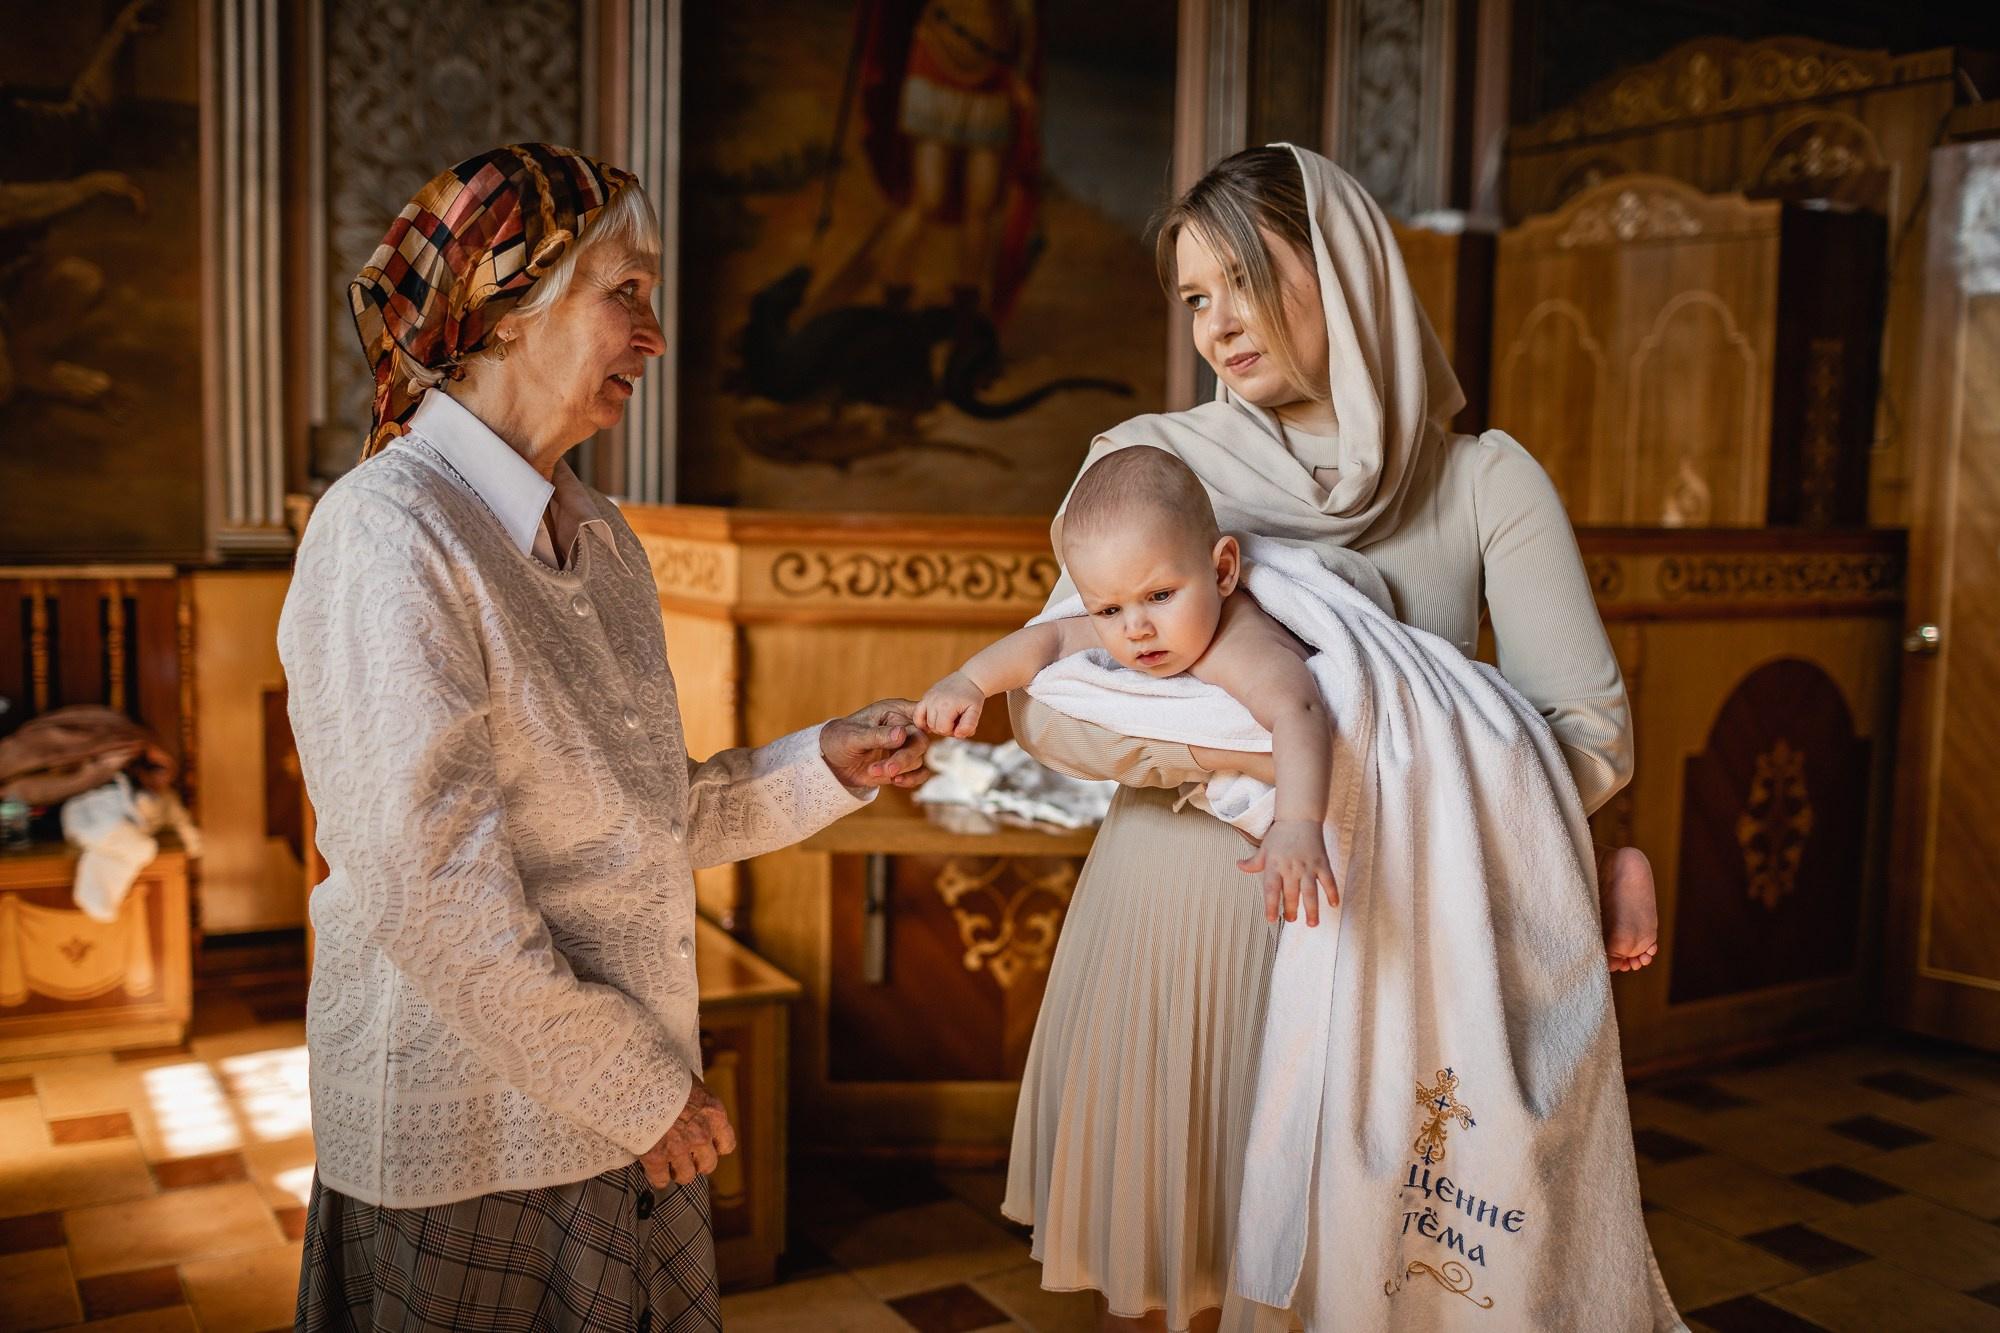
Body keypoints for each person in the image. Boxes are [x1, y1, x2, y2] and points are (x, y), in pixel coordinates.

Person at [1000, 143, 1663, 1333]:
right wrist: (1242, 764)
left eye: (1245, 280)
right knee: (1210, 1274)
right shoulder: (1151, 465)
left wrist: (1573, 836)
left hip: (1402, 939)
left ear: (1348, 272)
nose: (1216, 323)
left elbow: (1583, 732)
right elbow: (1049, 700)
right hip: (1184, 922)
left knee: (1379, 1288)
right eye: (1195, 297)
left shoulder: (1483, 484)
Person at [280, 143, 929, 1333]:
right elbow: (433, 888)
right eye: (623, 292)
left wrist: (818, 762)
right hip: (481, 1133)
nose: (655, 334)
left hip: (619, 1113)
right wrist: (640, 1093)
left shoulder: (602, 537)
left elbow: (646, 814)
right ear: (504, 302)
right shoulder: (389, 535)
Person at [914, 447, 1338, 927]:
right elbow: (1049, 640)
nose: (1136, 628)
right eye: (1108, 610)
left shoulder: (1241, 646)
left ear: (1222, 571)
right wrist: (969, 681)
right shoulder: (1139, 615)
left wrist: (1300, 823)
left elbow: (1299, 713)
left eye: (1160, 596)